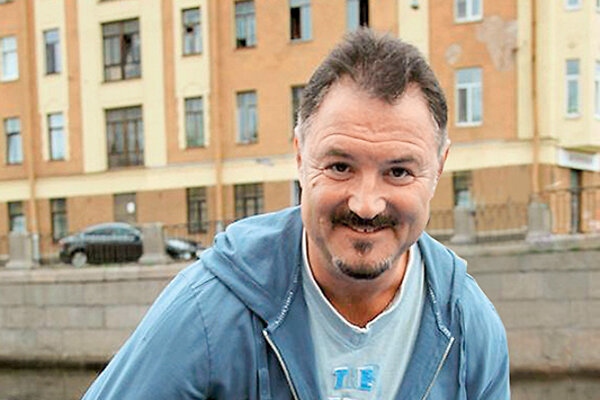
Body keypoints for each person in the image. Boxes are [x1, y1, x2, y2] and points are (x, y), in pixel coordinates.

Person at [83, 28, 510, 400]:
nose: (366, 204)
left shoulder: (468, 325)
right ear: (300, 157)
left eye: (398, 172)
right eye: (340, 166)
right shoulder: (209, 310)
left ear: (439, 168)